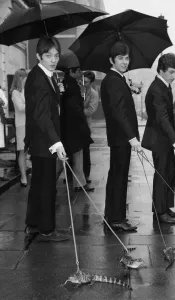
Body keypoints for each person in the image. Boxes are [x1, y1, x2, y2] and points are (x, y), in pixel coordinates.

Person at [24, 36, 70, 242]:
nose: (53, 59)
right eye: (48, 55)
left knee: (39, 185)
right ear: (38, 56)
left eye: (56, 55)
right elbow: (41, 115)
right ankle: (46, 229)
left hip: (42, 141)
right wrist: (56, 142)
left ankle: (33, 224)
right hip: (44, 142)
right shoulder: (38, 78)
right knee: (46, 186)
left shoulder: (46, 76)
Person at [142, 53, 175, 224]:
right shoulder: (156, 89)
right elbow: (161, 117)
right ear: (161, 70)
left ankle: (166, 206)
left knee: (171, 172)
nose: (174, 76)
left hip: (165, 137)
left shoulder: (164, 85)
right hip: (159, 138)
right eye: (171, 72)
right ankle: (160, 212)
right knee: (162, 174)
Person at [101, 42, 140, 231]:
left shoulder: (116, 79)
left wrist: (132, 88)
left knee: (116, 175)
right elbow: (118, 111)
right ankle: (117, 218)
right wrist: (131, 137)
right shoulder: (114, 80)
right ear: (111, 60)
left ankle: (112, 214)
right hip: (121, 137)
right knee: (119, 177)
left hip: (118, 137)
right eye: (120, 58)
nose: (125, 62)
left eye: (126, 58)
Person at [60, 66, 94, 192]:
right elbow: (75, 109)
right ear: (71, 72)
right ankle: (78, 183)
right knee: (70, 155)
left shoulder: (70, 84)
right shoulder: (71, 86)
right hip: (74, 127)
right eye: (78, 71)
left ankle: (80, 183)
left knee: (76, 154)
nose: (80, 73)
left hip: (70, 127)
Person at [11, 68, 28, 186]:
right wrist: (32, 103)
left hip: (30, 123)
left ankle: (27, 171)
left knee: (29, 150)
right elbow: (21, 108)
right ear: (20, 78)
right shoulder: (15, 92)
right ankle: (23, 176)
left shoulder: (26, 90)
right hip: (21, 124)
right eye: (25, 77)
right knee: (22, 150)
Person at [83, 71, 99, 183]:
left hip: (85, 126)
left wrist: (77, 109)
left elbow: (90, 111)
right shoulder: (79, 89)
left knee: (85, 152)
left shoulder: (93, 94)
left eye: (86, 82)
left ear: (91, 82)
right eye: (82, 80)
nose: (83, 83)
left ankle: (86, 175)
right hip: (74, 124)